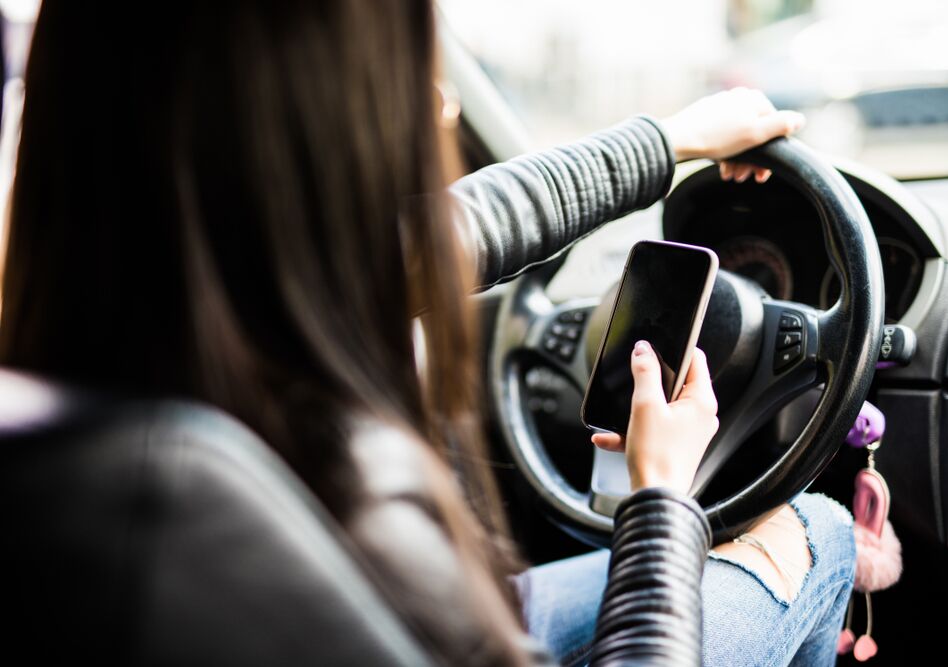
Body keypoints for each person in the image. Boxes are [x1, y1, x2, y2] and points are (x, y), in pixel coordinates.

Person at [0, 1, 854, 665]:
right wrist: (661, 498)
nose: (440, 104)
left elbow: (449, 232)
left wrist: (673, 141)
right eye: (408, 72)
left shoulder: (131, 325)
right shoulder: (230, 498)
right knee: (815, 535)